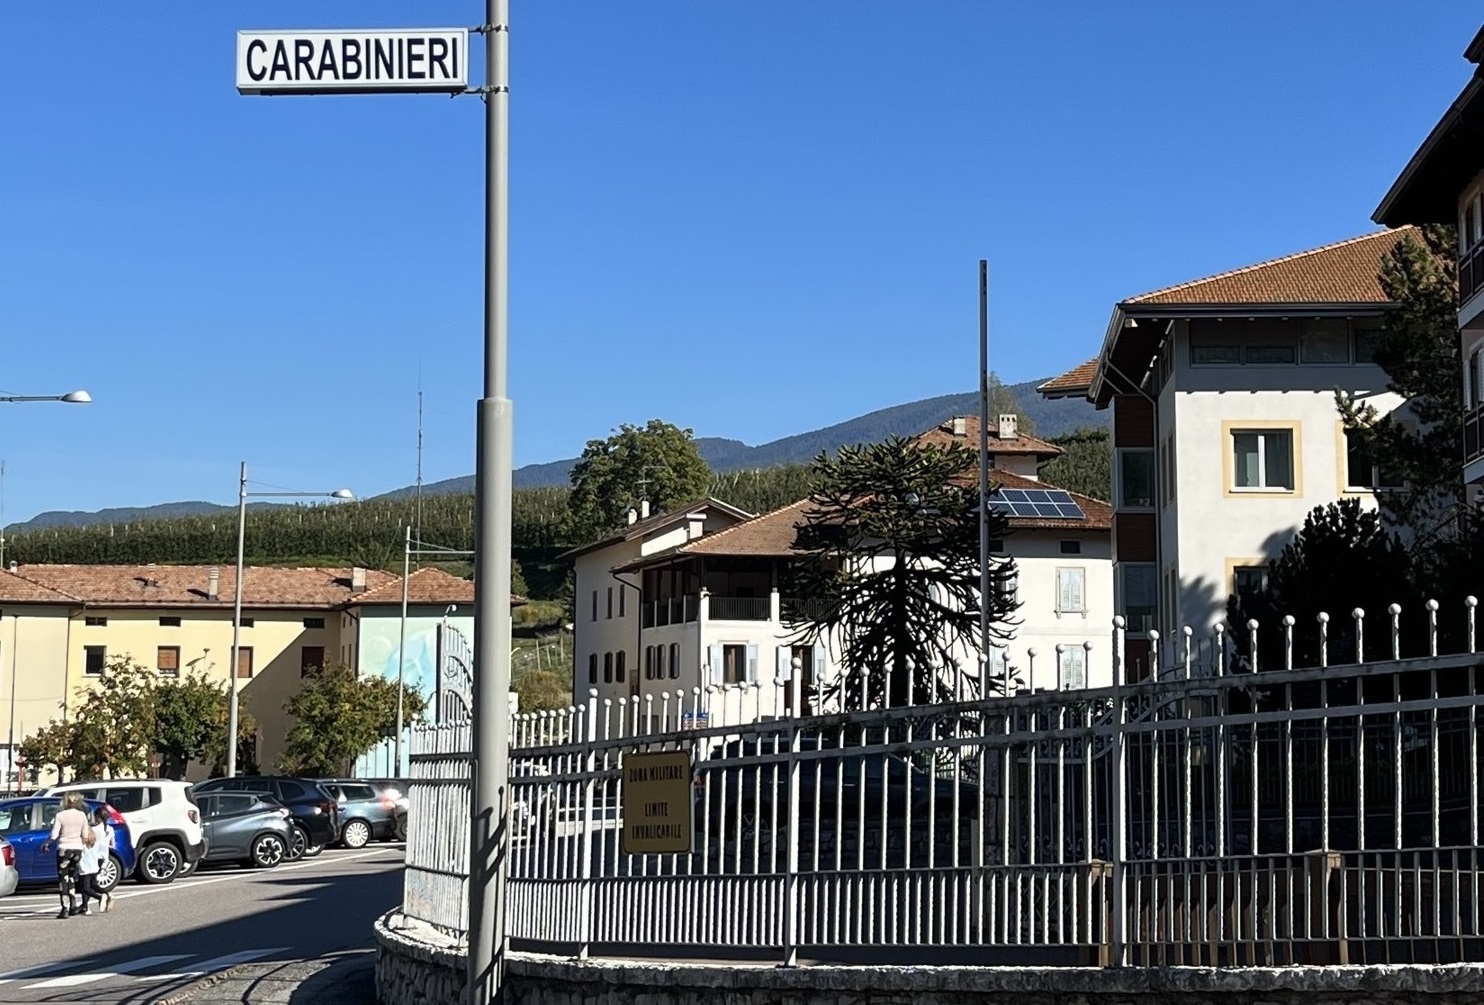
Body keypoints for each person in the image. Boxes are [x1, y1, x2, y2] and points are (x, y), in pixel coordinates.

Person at [41, 792, 89, 919]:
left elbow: (54, 835)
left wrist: (47, 843)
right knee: (73, 876)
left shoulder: (60, 815)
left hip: (64, 848)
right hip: (77, 848)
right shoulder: (82, 815)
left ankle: (65, 907)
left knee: (63, 878)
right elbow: (85, 835)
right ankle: (73, 904)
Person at [77, 806, 115, 915]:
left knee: (86, 885)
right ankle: (87, 905)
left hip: (92, 857)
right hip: (104, 858)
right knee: (93, 883)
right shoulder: (110, 829)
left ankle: (96, 899)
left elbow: (88, 840)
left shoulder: (94, 829)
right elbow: (113, 845)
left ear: (97, 816)